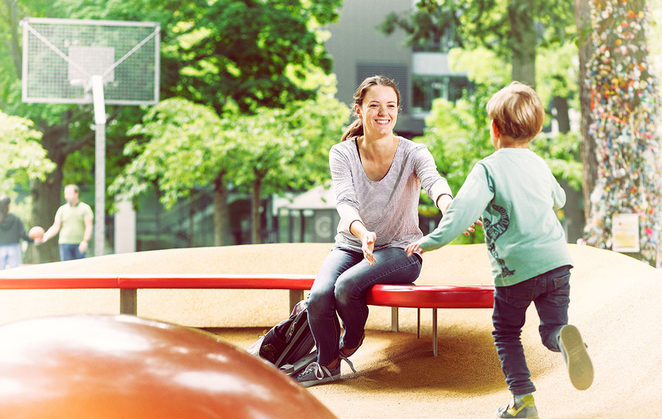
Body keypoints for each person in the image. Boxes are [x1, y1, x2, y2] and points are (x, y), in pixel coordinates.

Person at [405, 81, 593, 418]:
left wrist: (429, 241)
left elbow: (461, 212)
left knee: (506, 332)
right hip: (558, 263)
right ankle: (563, 337)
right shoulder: (537, 163)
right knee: (551, 327)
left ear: (494, 128)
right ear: (535, 130)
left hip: (516, 270)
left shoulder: (488, 168)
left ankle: (523, 402)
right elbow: (560, 199)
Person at [295, 75, 454, 387]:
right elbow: (345, 200)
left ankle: (351, 340)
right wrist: (361, 231)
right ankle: (327, 364)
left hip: (401, 251)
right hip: (350, 245)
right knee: (318, 297)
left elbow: (435, 182)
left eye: (391, 105)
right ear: (359, 110)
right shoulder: (341, 153)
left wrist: (448, 204)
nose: (384, 112)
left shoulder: (414, 152)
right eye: (375, 105)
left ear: (397, 110)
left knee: (346, 287)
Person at [39, 184, 94, 260]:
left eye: (69, 193)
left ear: (76, 194)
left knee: (80, 269)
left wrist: (85, 241)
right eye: (65, 194)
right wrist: (45, 236)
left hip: (79, 243)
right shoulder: (62, 209)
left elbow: (89, 226)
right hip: (64, 243)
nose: (66, 196)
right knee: (67, 269)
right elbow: (56, 226)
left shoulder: (85, 208)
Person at [0, 195, 33, 270]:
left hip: (0, 248)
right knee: (14, 273)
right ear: (9, 205)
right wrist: (33, 240)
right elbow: (23, 235)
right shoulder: (16, 218)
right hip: (14, 248)